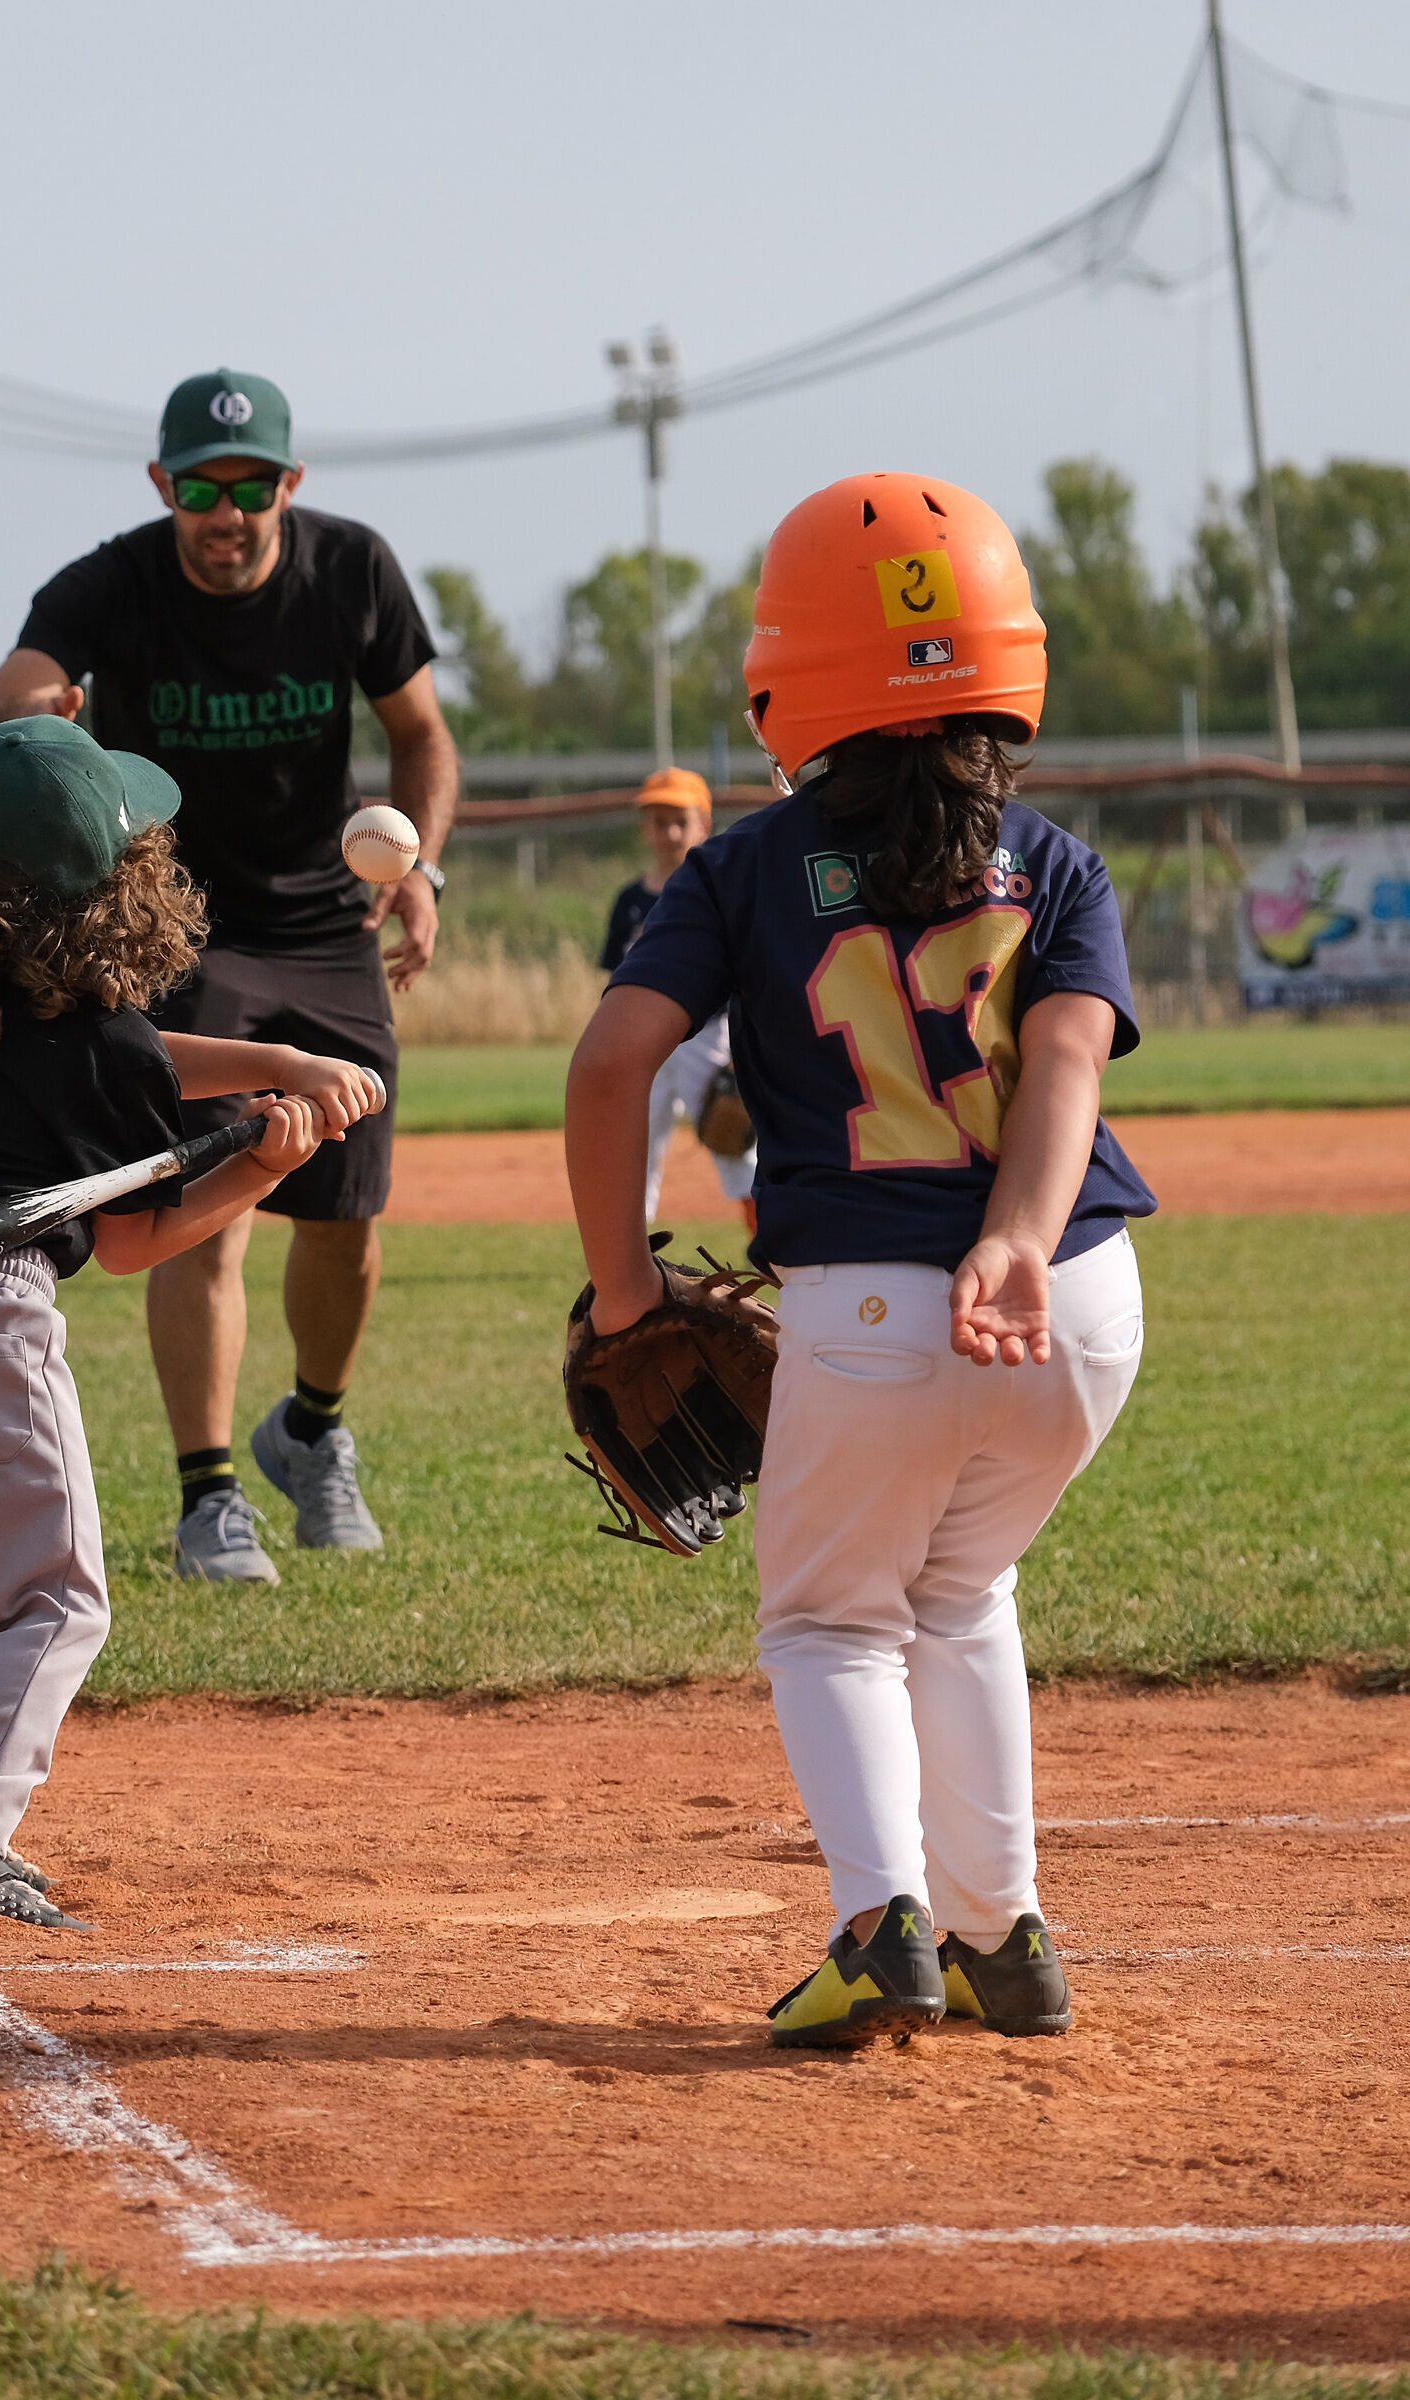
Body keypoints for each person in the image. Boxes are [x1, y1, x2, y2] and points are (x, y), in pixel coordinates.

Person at [565, 473, 1156, 2046]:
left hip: (872, 1307)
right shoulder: (1059, 863)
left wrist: (627, 1291)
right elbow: (1072, 1070)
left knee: (831, 1621)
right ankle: (1002, 1937)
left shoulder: (744, 869)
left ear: (789, 673)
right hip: (1077, 1304)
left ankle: (883, 1922)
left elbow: (613, 1064)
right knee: (963, 1588)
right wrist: (1020, 1242)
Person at [0, 716, 376, 1926]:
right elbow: (132, 1240)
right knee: (58, 1599)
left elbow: (129, 1063)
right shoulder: (88, 1039)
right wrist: (258, 1172)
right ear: (109, 889)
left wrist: (273, 1062)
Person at [0, 367, 459, 1585]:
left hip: (328, 924)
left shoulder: (352, 571)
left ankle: (313, 1434)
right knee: (205, 1208)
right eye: (198, 487)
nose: (223, 512)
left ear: (288, 483)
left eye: (247, 486)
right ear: (162, 486)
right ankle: (208, 1495)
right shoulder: (112, 584)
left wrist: (423, 867)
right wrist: (33, 704)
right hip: (172, 929)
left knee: (346, 1214)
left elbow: (422, 733)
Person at [597, 768, 758, 1237]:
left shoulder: (719, 889)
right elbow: (614, 979)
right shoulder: (630, 900)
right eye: (658, 819)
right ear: (644, 827)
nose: (669, 831)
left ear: (703, 824)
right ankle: (628, 1255)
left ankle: (765, 1245)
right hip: (639, 1038)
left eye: (679, 820)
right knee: (633, 1144)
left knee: (731, 1137)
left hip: (707, 1035)